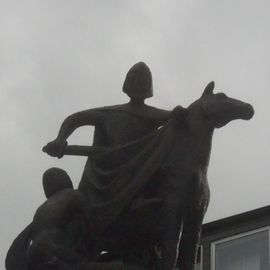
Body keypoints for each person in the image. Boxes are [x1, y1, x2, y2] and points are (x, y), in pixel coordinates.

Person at [6, 168, 91, 270]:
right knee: (84, 264)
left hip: (32, 252)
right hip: (53, 249)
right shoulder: (73, 194)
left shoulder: (40, 209)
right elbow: (91, 219)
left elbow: (24, 236)